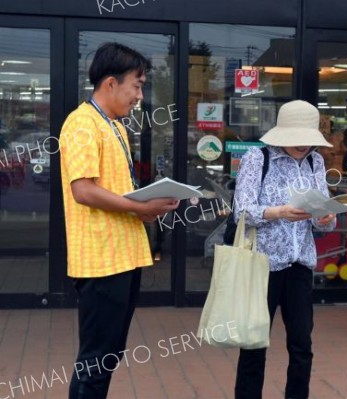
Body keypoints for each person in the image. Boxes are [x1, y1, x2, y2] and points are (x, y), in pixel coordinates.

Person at [59, 42, 179, 399]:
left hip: (123, 256)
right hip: (100, 262)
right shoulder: (82, 123)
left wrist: (147, 200)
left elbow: (114, 189)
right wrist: (140, 208)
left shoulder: (114, 126)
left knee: (108, 356)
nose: (139, 96)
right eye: (137, 85)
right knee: (95, 361)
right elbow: (83, 189)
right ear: (110, 83)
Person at [233, 100, 336, 399]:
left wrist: (326, 217)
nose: (303, 146)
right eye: (297, 138)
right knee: (254, 346)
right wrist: (279, 212)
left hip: (300, 264)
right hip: (262, 265)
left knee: (302, 346)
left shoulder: (316, 162)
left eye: (308, 139)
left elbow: (321, 224)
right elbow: (242, 212)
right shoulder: (258, 158)